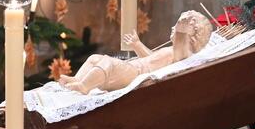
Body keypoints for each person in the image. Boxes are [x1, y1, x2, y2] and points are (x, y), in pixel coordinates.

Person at [58, 10, 214, 94]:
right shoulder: (169, 51)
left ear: (189, 37)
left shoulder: (178, 54)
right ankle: (77, 79)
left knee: (108, 62)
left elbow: (180, 46)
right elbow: (150, 58)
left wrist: (183, 28)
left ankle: (84, 86)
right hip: (134, 67)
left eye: (177, 26)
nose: (173, 28)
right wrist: (137, 44)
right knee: (94, 58)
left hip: (135, 74)